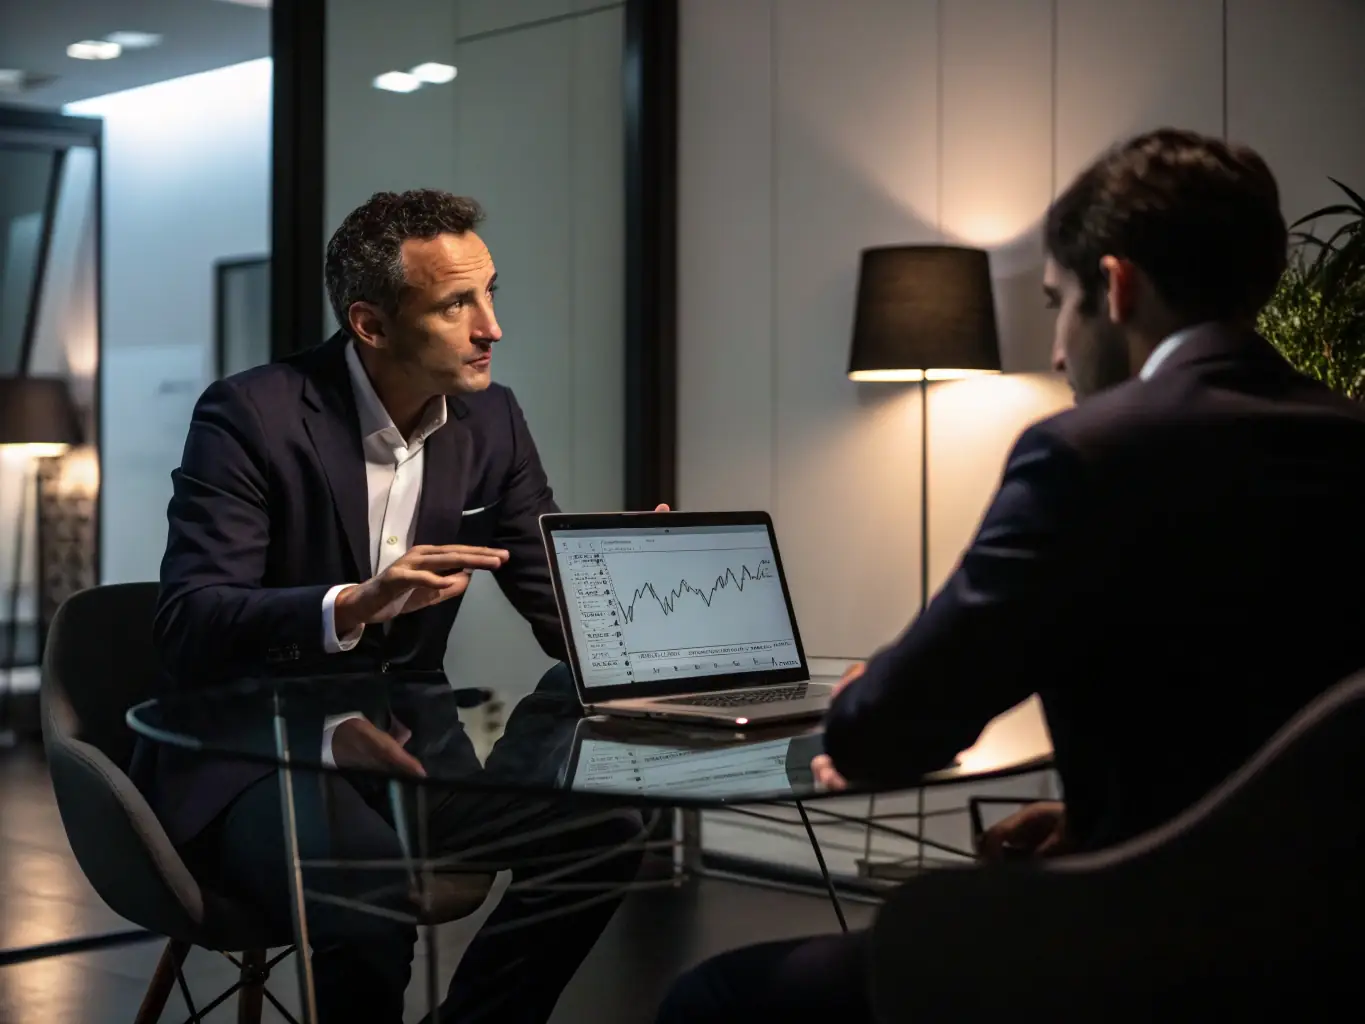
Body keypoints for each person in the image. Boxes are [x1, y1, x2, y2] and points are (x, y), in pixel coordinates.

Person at [655, 128, 1365, 1022]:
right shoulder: (1346, 437)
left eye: (1055, 303)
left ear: (1115, 287)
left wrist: (871, 697)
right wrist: (1092, 823)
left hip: (1134, 952)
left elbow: (886, 733)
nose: (1060, 351)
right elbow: (1273, 722)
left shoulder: (1089, 456)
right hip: (1316, 941)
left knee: (713, 998)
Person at [145, 189, 663, 1023]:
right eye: (457, 303)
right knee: (371, 904)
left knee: (602, 833)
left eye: (491, 292)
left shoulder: (490, 420)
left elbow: (548, 597)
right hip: (258, 750)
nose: (492, 327)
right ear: (371, 325)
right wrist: (352, 604)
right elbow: (189, 620)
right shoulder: (251, 415)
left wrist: (630, 590)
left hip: (416, 750)